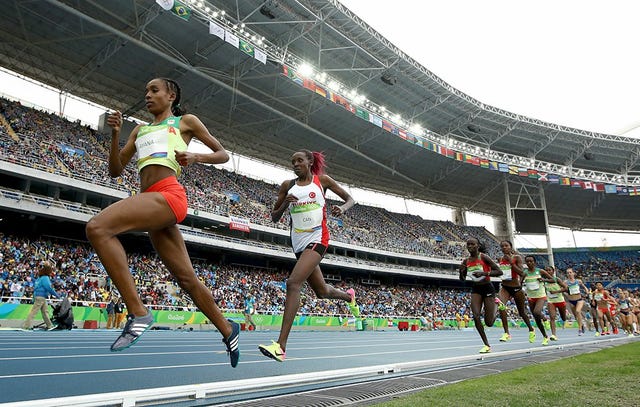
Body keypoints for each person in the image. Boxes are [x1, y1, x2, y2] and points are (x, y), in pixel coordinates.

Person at [85, 77, 240, 367]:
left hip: (169, 195)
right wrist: (116, 134)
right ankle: (228, 329)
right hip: (151, 200)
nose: (147, 95)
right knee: (187, 279)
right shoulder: (140, 131)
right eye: (145, 90)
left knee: (97, 227)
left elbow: (223, 155)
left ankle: (138, 312)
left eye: (154, 90)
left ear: (171, 95)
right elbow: (116, 171)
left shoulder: (185, 122)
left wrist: (194, 156)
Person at [258, 150, 358, 362]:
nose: (295, 164)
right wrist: (286, 202)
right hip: (298, 243)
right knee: (321, 291)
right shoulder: (287, 186)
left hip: (318, 239)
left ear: (310, 162)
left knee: (293, 283)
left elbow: (350, 199)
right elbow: (274, 217)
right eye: (293, 161)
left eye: (300, 160)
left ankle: (280, 346)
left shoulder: (322, 181)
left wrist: (342, 207)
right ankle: (349, 296)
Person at [459, 237, 503, 354]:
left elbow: (499, 272)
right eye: (468, 244)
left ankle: (497, 305)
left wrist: (484, 273)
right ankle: (486, 345)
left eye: (472, 244)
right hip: (476, 289)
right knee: (476, 316)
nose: (470, 246)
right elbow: (462, 279)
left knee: (489, 323)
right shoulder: (466, 261)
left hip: (488, 287)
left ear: (478, 245)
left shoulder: (483, 257)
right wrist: (461, 271)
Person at [495, 240, 535, 343]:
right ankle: (506, 333)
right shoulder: (500, 259)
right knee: (501, 306)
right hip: (505, 287)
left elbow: (522, 273)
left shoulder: (517, 258)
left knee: (522, 313)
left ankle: (531, 329)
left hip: (516, 288)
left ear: (510, 247)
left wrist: (511, 262)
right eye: (502, 246)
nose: (504, 247)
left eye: (506, 246)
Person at [22, 261, 60, 330]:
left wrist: (34, 297)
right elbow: (49, 288)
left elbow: (35, 289)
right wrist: (56, 295)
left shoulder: (39, 279)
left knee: (45, 312)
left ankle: (50, 326)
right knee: (33, 312)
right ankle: (26, 326)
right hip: (41, 297)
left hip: (39, 296)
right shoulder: (45, 278)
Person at [522, 255, 551, 346]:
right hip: (531, 297)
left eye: (531, 261)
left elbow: (553, 279)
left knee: (537, 312)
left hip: (541, 296)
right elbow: (520, 283)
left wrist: (543, 279)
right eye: (527, 262)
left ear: (535, 262)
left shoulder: (540, 271)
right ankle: (545, 337)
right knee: (537, 320)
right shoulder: (525, 273)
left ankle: (545, 318)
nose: (529, 263)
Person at [541, 266, 569, 341]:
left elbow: (566, 288)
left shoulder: (557, 279)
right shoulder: (544, 281)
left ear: (553, 271)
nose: (548, 271)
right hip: (551, 301)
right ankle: (553, 335)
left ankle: (565, 318)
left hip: (560, 301)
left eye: (549, 270)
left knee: (563, 317)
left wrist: (556, 292)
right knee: (552, 317)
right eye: (546, 270)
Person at [564, 268, 589, 335]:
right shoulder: (565, 282)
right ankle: (581, 325)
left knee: (578, 311)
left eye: (570, 272)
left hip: (579, 300)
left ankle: (580, 330)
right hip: (571, 301)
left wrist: (587, 291)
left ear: (573, 273)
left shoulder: (578, 281)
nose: (569, 274)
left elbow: (584, 287)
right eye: (568, 273)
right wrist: (567, 293)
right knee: (575, 316)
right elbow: (563, 290)